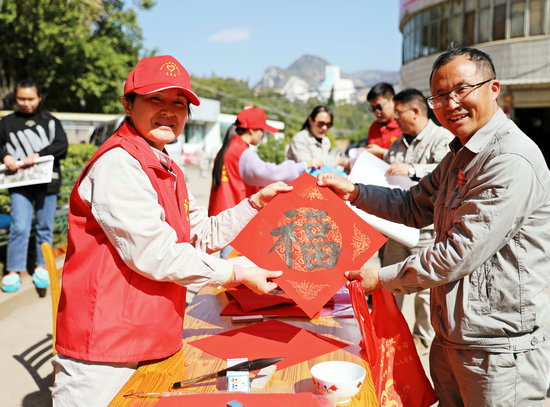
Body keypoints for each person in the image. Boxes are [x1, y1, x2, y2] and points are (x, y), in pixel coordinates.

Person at [318, 46, 550, 406]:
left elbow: (458, 254)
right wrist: (354, 192)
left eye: (462, 89)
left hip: (498, 351)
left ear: (494, 88)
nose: (451, 103)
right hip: (454, 339)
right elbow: (412, 205)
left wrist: (379, 279)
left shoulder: (510, 160)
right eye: (441, 95)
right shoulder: (458, 155)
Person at [51, 55, 290, 406]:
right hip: (105, 352)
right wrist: (237, 272)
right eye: (155, 99)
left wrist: (255, 205)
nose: (168, 110)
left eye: (179, 103)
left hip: (152, 338)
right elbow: (156, 253)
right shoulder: (119, 162)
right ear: (127, 105)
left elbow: (201, 234)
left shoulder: (167, 166)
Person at [382, 88, 453, 354]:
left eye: (398, 113)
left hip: (428, 228)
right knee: (389, 282)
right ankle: (388, 332)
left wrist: (412, 170)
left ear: (415, 111)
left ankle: (423, 337)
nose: (394, 118)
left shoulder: (442, 138)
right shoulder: (396, 146)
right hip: (397, 227)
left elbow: (447, 167)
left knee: (426, 289)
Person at [208, 107, 322, 258]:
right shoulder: (244, 154)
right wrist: (304, 165)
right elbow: (269, 173)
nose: (262, 135)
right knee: (233, 263)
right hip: (235, 218)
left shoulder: (228, 149)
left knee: (229, 261)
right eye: (261, 131)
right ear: (251, 131)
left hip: (223, 214)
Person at [0, 79, 68, 293]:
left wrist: (39, 155)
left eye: (31, 98)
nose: (26, 103)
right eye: (21, 98)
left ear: (39, 98)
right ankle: (13, 270)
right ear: (16, 98)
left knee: (45, 226)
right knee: (20, 226)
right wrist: (5, 156)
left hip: (47, 182)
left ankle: (42, 266)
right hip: (20, 183)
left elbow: (61, 146)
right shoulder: (7, 122)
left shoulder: (51, 121)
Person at [364, 82, 402, 158]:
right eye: (373, 108)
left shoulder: (403, 126)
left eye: (379, 107)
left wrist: (382, 152)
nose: (376, 112)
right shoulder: (373, 128)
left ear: (392, 101)